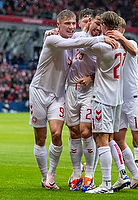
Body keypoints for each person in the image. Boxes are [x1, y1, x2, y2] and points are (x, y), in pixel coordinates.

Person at [29, 9, 115, 190]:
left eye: (72, 23)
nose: (70, 26)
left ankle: (72, 174)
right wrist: (47, 33)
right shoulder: (56, 40)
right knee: (42, 138)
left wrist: (92, 76)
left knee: (59, 133)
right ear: (58, 25)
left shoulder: (78, 42)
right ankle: (47, 176)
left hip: (61, 94)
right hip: (40, 91)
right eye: (66, 23)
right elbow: (73, 40)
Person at [79, 11, 127, 194]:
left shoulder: (104, 46)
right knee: (109, 138)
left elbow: (82, 45)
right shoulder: (123, 45)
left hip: (102, 98)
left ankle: (106, 184)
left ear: (105, 27)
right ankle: (119, 176)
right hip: (116, 99)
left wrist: (86, 30)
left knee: (101, 139)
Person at [106, 18, 138, 191]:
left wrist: (121, 38)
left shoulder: (130, 43)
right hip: (119, 100)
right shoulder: (109, 46)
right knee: (118, 139)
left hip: (134, 98)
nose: (111, 32)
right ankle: (136, 176)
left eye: (114, 29)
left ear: (121, 30)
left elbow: (133, 51)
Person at [66, 8, 101, 192]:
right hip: (71, 88)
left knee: (86, 130)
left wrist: (92, 78)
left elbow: (107, 71)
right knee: (73, 132)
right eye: (97, 24)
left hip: (90, 91)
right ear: (89, 20)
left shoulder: (102, 42)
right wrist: (51, 32)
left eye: (101, 25)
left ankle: (90, 175)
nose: (98, 28)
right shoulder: (76, 37)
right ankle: (76, 174)